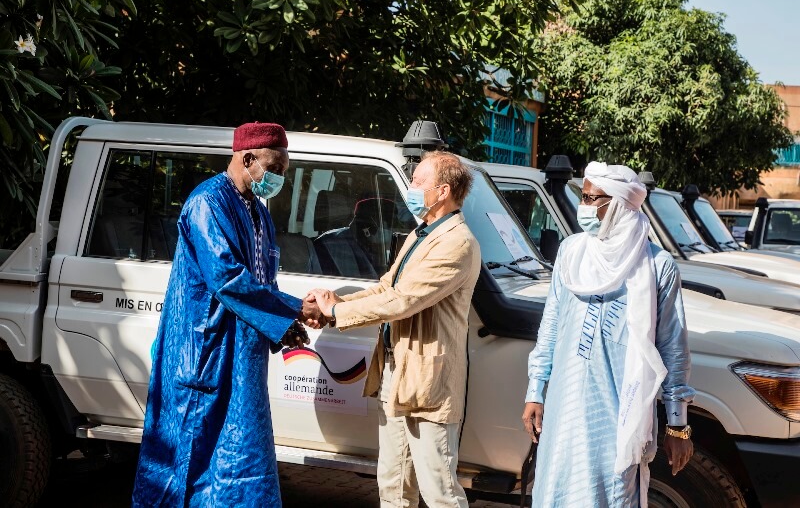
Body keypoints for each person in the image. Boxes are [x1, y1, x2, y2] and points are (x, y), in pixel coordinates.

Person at [132, 122, 324, 507]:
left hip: (242, 353)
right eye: (277, 169)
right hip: (203, 351)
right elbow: (227, 278)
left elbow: (262, 281)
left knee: (241, 453)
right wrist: (293, 309)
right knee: (188, 452)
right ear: (248, 158)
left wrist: (285, 327)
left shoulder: (258, 211)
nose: (280, 179)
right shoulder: (207, 203)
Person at [309, 150, 481, 508]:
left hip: (427, 380)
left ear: (443, 190)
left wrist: (337, 312)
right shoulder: (422, 233)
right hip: (395, 371)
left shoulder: (457, 243)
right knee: (393, 484)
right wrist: (336, 302)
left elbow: (403, 301)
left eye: (419, 181)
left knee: (440, 491)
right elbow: (386, 287)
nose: (411, 187)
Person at [521, 162, 695, 507]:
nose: (583, 207)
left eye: (590, 198)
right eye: (582, 197)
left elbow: (673, 350)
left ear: (616, 203)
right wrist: (535, 390)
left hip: (618, 417)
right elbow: (551, 327)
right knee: (555, 489)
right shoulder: (572, 253)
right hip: (565, 407)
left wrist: (678, 425)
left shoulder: (656, 266)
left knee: (611, 493)